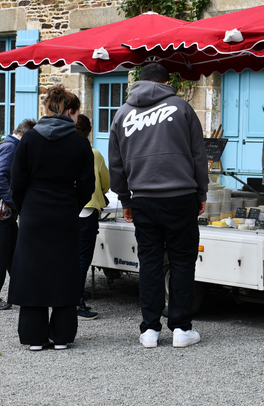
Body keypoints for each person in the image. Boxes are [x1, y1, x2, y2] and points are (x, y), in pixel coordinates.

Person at [109, 63, 208, 349]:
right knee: (181, 261)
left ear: (139, 82)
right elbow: (198, 154)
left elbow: (116, 163)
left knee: (150, 263)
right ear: (165, 81)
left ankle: (149, 330)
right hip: (180, 197)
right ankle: (181, 328)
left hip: (142, 199)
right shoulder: (181, 108)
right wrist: (201, 191)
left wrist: (125, 199)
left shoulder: (122, 114)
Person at [8, 85, 95, 351]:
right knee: (64, 270)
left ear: (46, 109)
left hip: (34, 210)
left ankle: (34, 337)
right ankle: (62, 336)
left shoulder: (30, 139)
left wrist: (27, 207)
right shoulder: (80, 142)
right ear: (72, 112)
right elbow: (87, 185)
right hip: (65, 210)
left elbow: (17, 181)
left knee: (33, 270)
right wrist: (72, 203)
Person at [0, 119, 36, 311]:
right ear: (25, 136)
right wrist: (13, 201)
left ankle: (23, 291)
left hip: (0, 209)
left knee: (13, 252)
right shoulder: (11, 147)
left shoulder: (9, 145)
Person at [74, 114, 110, 321]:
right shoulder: (93, 153)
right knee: (81, 259)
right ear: (88, 132)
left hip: (65, 211)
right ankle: (77, 302)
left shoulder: (61, 152)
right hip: (86, 210)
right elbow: (105, 183)